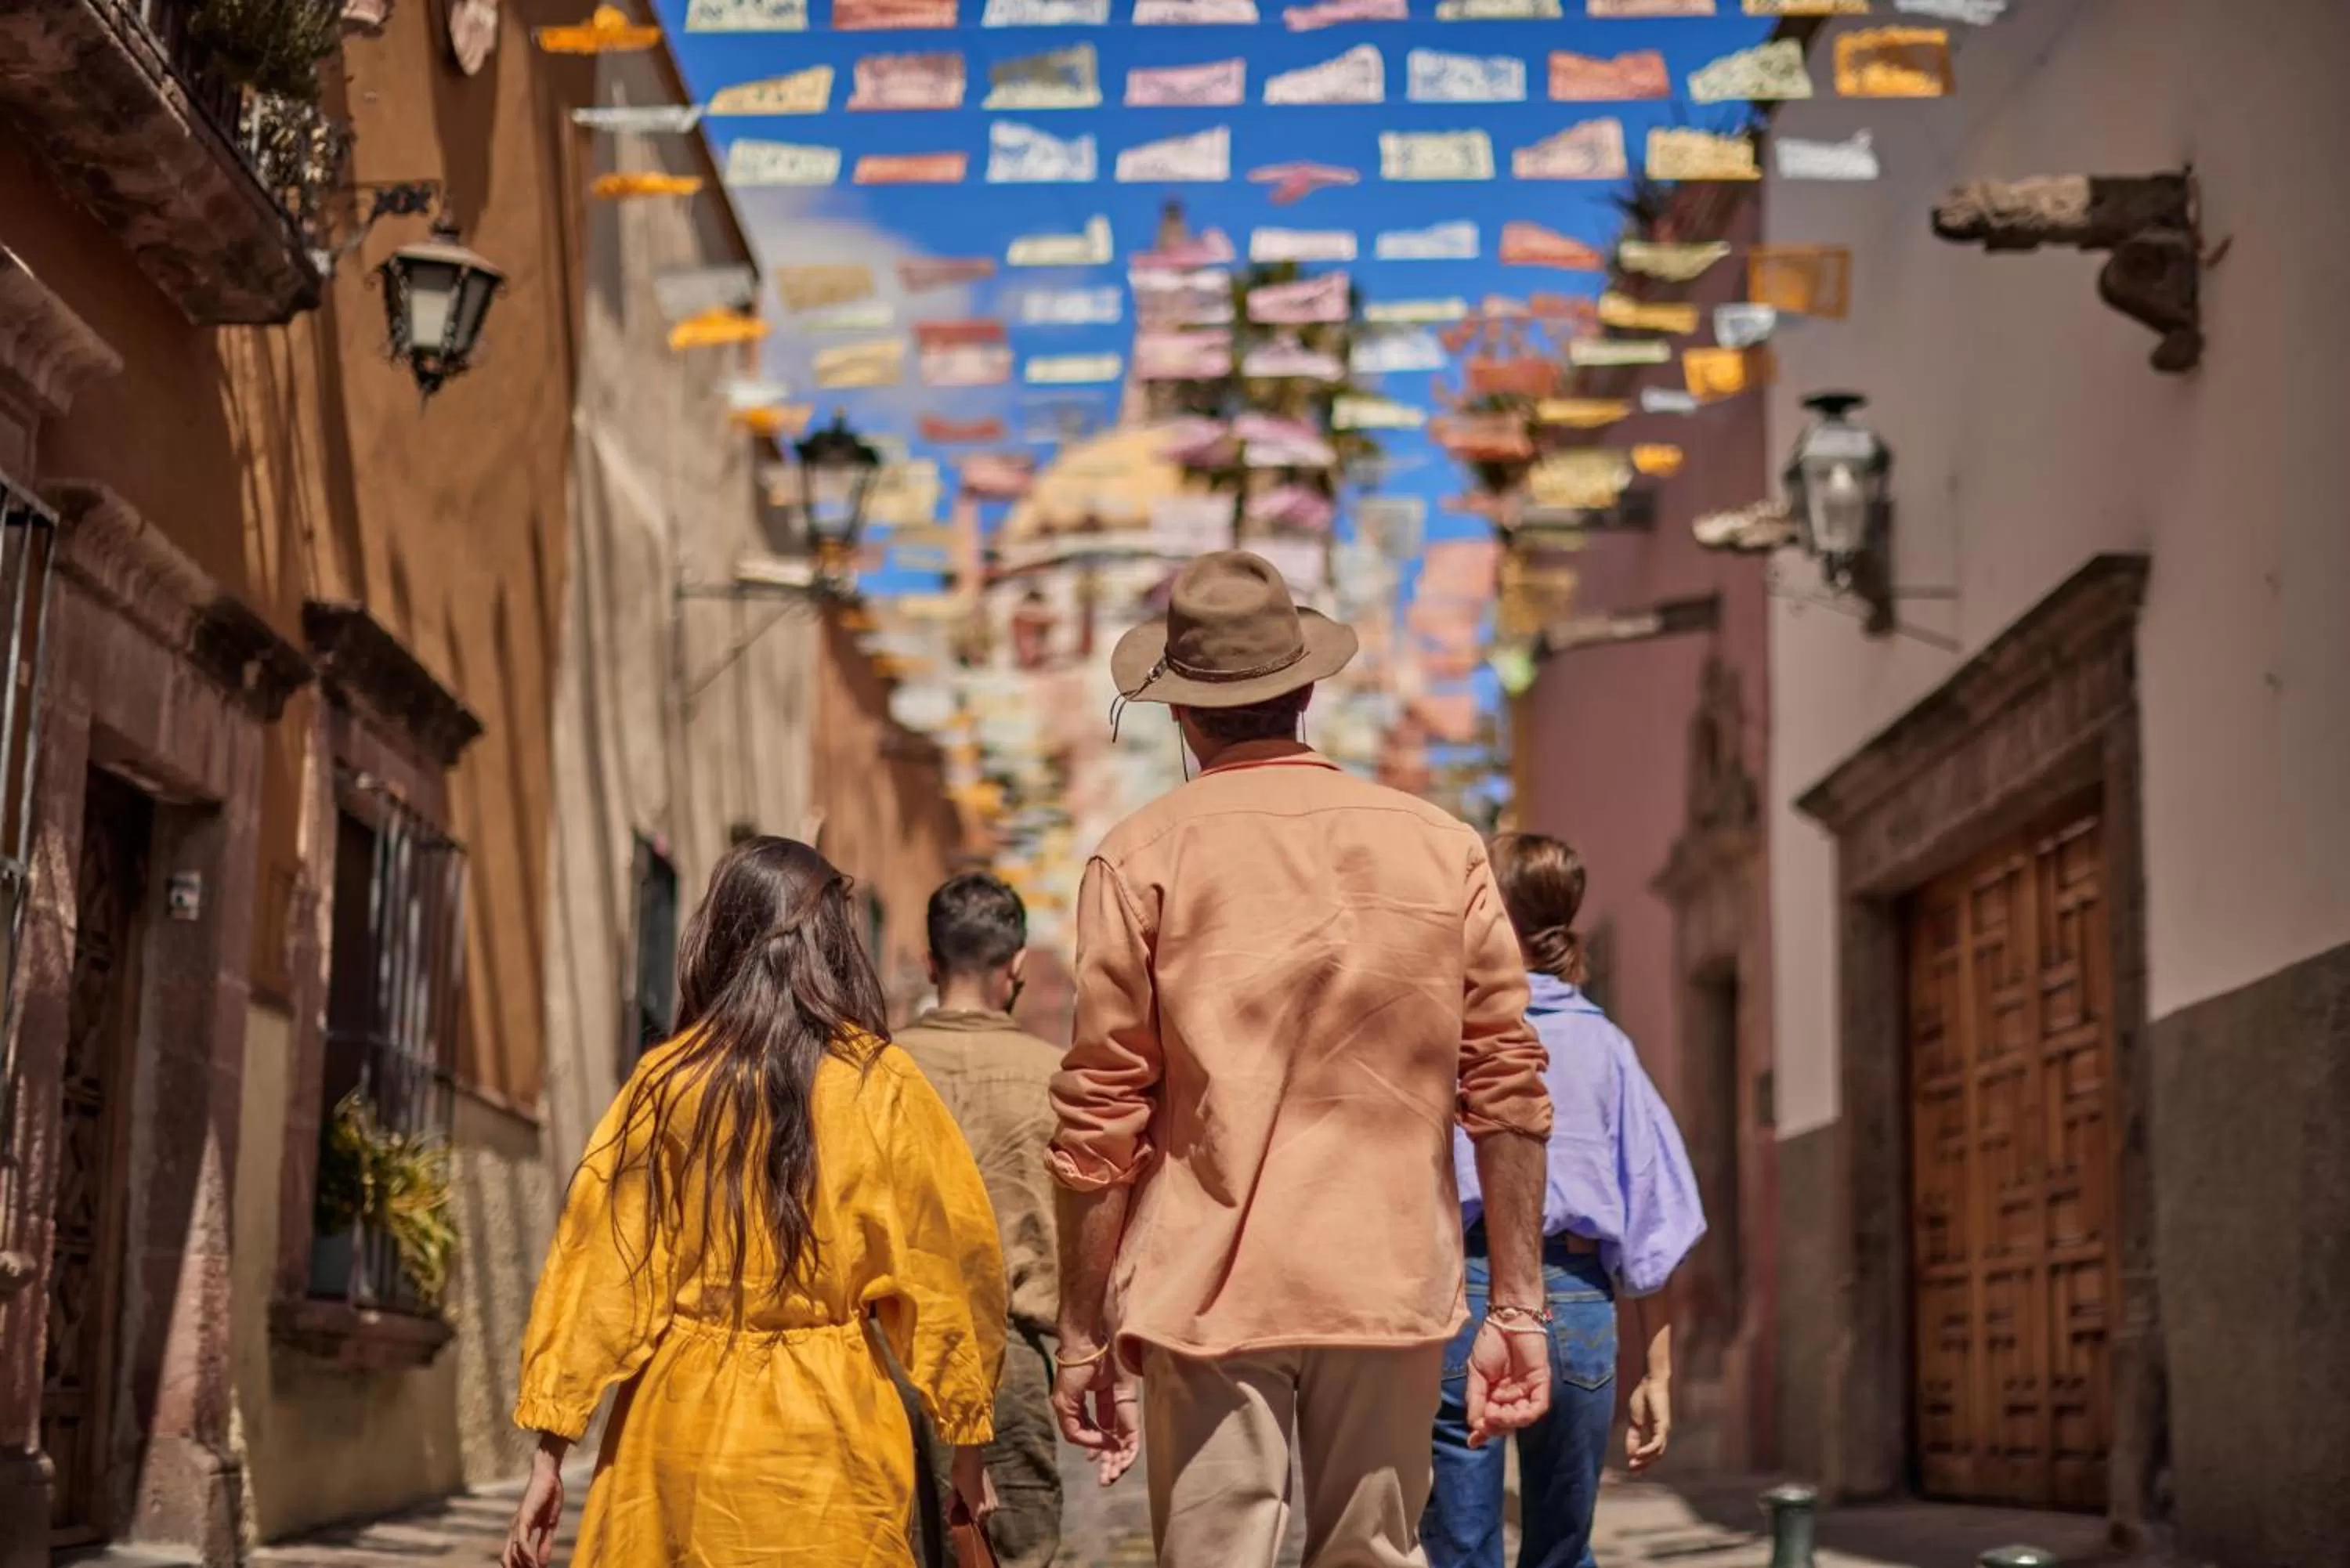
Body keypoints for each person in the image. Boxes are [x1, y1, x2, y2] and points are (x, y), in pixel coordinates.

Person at [1050, 550, 1560, 1568]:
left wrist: (1079, 1330)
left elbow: (1103, 1112)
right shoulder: (1440, 845)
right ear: (1307, 690)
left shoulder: (1140, 855)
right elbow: (1505, 1086)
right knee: (1373, 1553)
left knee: (1216, 1554)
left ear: (1182, 714)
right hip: (1385, 1273)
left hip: (1207, 1284)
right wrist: (1517, 1304)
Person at [501, 837, 1007, 1568]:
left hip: (676, 1434)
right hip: (831, 1442)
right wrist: (967, 1442)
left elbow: (598, 1273)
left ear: (719, 934)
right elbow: (946, 1268)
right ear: (833, 944)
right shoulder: (882, 1084)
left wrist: (551, 1450)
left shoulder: (666, 1083)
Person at [1423, 832, 1706, 1568]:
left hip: (1463, 1289)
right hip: (1581, 1302)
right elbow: (1654, 1226)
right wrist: (1657, 1376)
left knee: (1457, 1546)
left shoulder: (1451, 1037)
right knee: (1562, 1548)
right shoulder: (1607, 1046)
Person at [895, 873, 1123, 1568]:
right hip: (1009, 1367)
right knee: (1013, 1552)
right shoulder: (1054, 1076)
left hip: (887, 1360)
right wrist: (1098, 1352)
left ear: (931, 963)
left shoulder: (872, 1069)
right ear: (1017, 966)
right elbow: (1085, 1223)